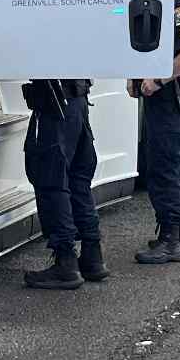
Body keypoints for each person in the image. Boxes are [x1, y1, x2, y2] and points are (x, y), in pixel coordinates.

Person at [134, 0, 180, 264]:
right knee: (173, 169)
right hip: (166, 99)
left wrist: (157, 80)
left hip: (171, 99)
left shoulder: (175, 5)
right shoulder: (155, 0)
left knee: (164, 171)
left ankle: (170, 240)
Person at [20, 78, 107, 289]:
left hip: (55, 104)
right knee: (78, 183)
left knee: (51, 182)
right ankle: (92, 257)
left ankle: (66, 262)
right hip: (78, 101)